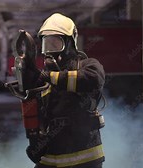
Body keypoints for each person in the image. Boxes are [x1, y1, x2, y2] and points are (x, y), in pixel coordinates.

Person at [26, 13, 106, 168]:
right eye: (46, 44)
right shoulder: (43, 79)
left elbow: (93, 80)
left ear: (70, 43)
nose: (49, 51)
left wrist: (50, 77)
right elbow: (35, 114)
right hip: (50, 158)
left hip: (84, 159)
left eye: (55, 44)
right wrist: (34, 140)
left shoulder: (88, 66)